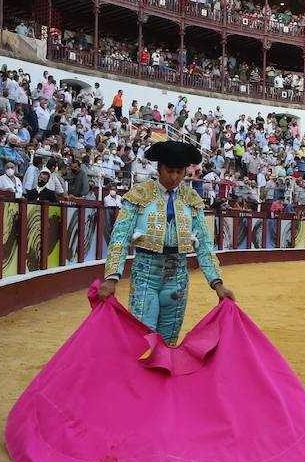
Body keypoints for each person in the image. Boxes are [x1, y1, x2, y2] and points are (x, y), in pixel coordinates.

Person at [97, 141, 234, 344]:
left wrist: (217, 283)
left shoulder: (192, 199)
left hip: (177, 277)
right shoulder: (139, 195)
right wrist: (111, 278)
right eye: (169, 171)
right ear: (159, 168)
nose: (174, 177)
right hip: (145, 274)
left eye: (179, 172)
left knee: (169, 342)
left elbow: (204, 244)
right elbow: (120, 238)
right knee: (143, 341)